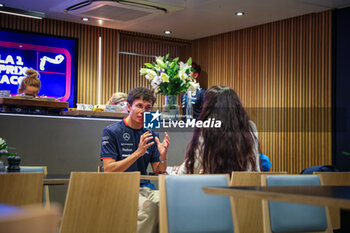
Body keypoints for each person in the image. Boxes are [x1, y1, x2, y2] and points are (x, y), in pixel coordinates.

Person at [100, 87, 170, 233]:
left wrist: (163, 156)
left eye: (148, 107)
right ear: (128, 106)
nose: (143, 111)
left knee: (171, 204)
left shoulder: (150, 133)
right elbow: (109, 169)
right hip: (122, 188)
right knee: (150, 209)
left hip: (146, 188)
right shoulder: (112, 131)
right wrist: (137, 153)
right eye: (139, 106)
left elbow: (160, 173)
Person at [178, 85, 260, 174]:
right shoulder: (250, 127)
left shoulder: (206, 129)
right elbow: (255, 167)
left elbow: (189, 168)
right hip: (247, 185)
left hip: (214, 186)